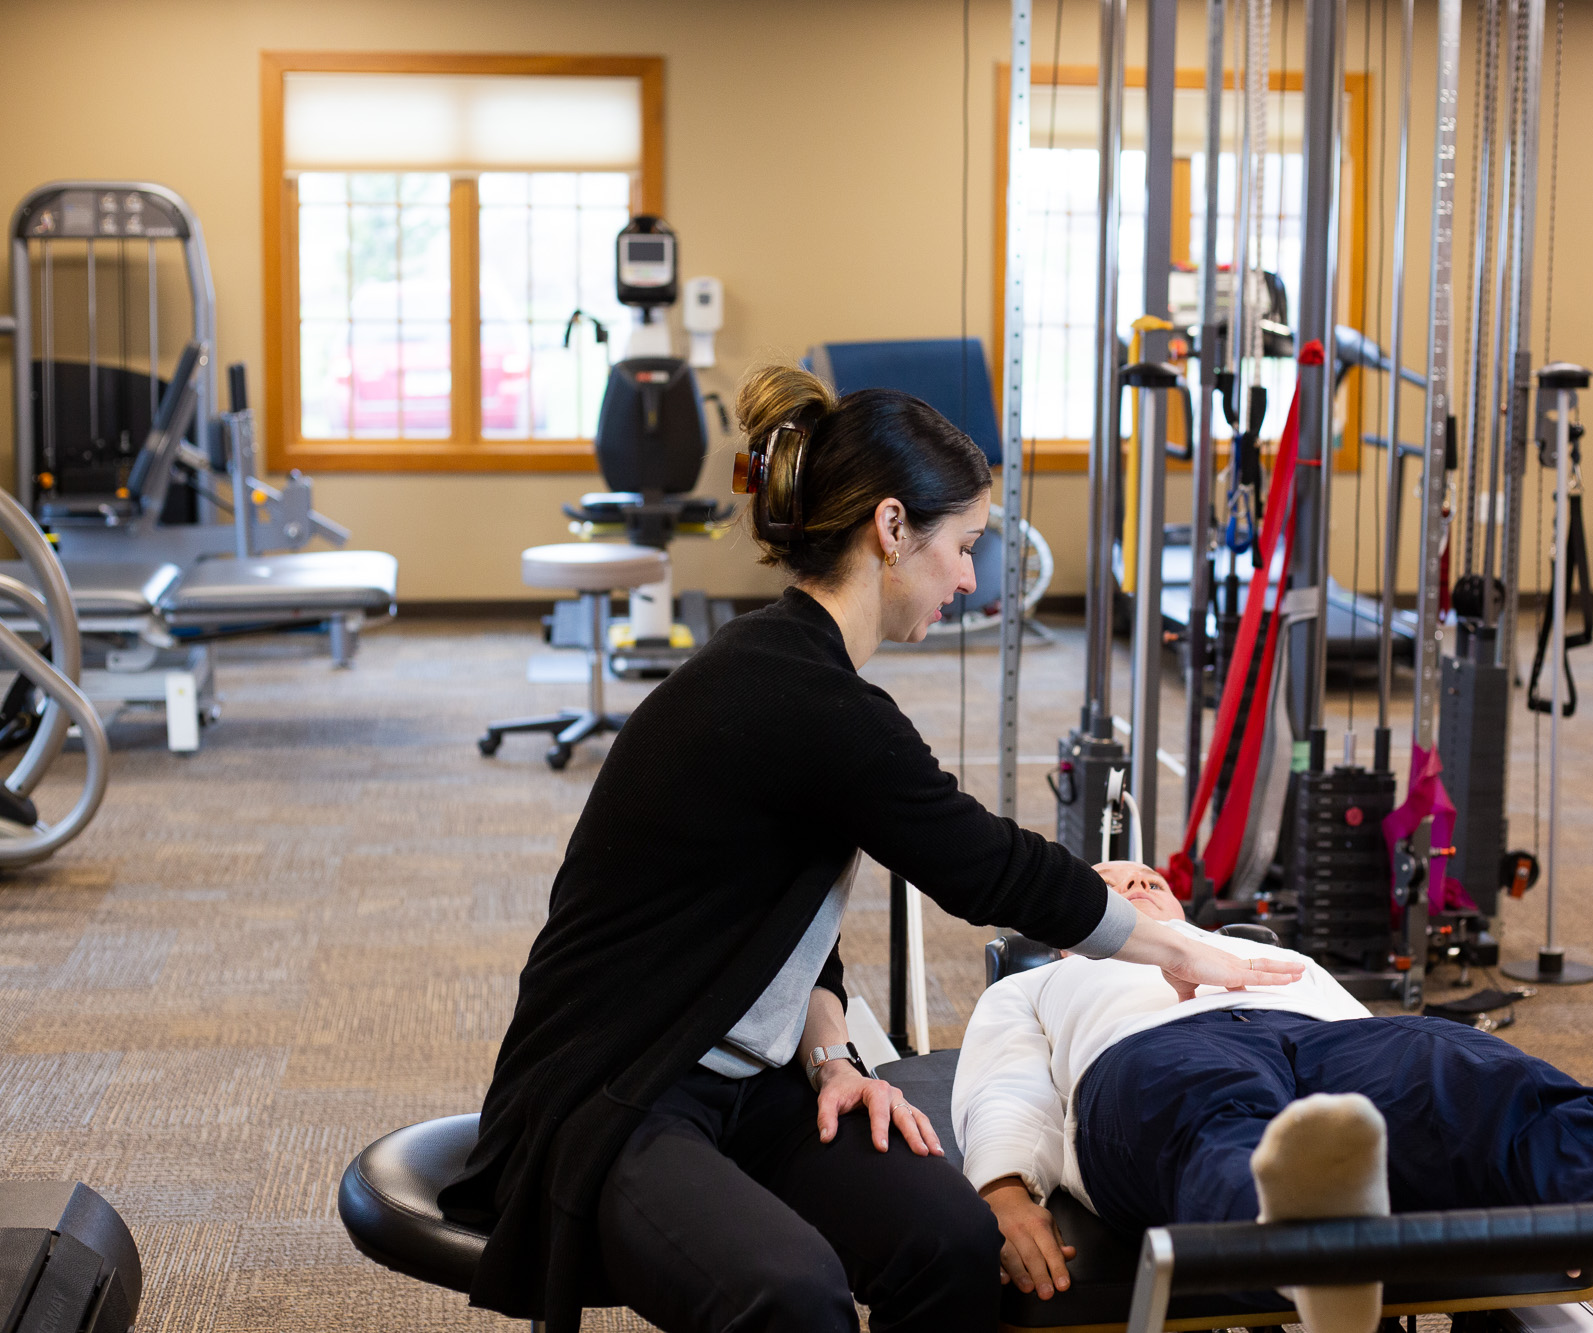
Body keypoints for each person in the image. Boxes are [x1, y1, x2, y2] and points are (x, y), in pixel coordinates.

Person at [439, 367, 1304, 1333]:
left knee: (952, 1244)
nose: (972, 577)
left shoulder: (802, 674)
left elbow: (781, 914)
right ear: (893, 529)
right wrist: (1189, 950)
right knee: (792, 1297)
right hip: (619, 1089)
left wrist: (833, 1055)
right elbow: (988, 867)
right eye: (964, 545)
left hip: (748, 1076)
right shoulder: (802, 695)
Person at [956, 862, 1593, 1333]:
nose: (1136, 888)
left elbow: (1367, 1050)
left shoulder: (1268, 954)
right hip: (1149, 1066)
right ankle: (1306, 1251)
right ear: (1065, 926)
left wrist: (1511, 1195)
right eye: (1107, 884)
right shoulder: (1038, 985)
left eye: (1149, 882)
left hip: (1331, 1043)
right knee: (1222, 1123)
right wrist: (1004, 1187)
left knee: (1478, 1079)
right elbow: (1000, 1080)